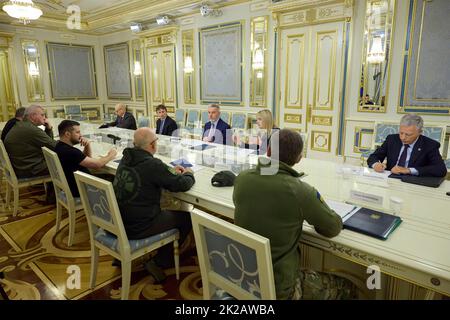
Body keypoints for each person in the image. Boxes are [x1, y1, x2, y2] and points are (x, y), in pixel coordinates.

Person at [233, 129, 356, 300]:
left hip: (241, 274)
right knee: (348, 287)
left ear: (268, 150)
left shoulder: (242, 178)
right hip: (278, 286)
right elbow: (332, 228)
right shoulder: (300, 191)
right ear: (299, 158)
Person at [113, 128, 195, 282]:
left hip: (119, 220)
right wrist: (189, 173)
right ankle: (161, 261)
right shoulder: (152, 164)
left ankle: (123, 257)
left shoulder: (127, 158)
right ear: (152, 145)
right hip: (139, 226)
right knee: (187, 218)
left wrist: (169, 170)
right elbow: (181, 184)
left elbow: (154, 172)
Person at [367, 114, 446, 177]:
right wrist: (376, 165)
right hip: (391, 179)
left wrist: (408, 170)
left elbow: (440, 169)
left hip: (414, 182)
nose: (403, 137)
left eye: (408, 134)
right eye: (401, 133)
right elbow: (373, 157)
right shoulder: (392, 139)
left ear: (420, 132)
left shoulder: (430, 145)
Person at [55, 120, 117, 197]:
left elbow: (83, 160)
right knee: (115, 179)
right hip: (82, 189)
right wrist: (111, 155)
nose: (80, 135)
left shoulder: (59, 146)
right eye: (77, 132)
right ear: (67, 134)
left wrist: (87, 145)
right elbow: (97, 165)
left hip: (75, 184)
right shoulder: (70, 152)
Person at [4, 105, 57, 178]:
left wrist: (48, 129)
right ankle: (62, 189)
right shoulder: (31, 129)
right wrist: (50, 129)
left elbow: (48, 145)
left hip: (21, 166)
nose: (45, 117)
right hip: (29, 169)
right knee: (67, 162)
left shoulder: (22, 125)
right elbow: (53, 146)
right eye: (42, 115)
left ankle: (52, 187)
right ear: (32, 116)